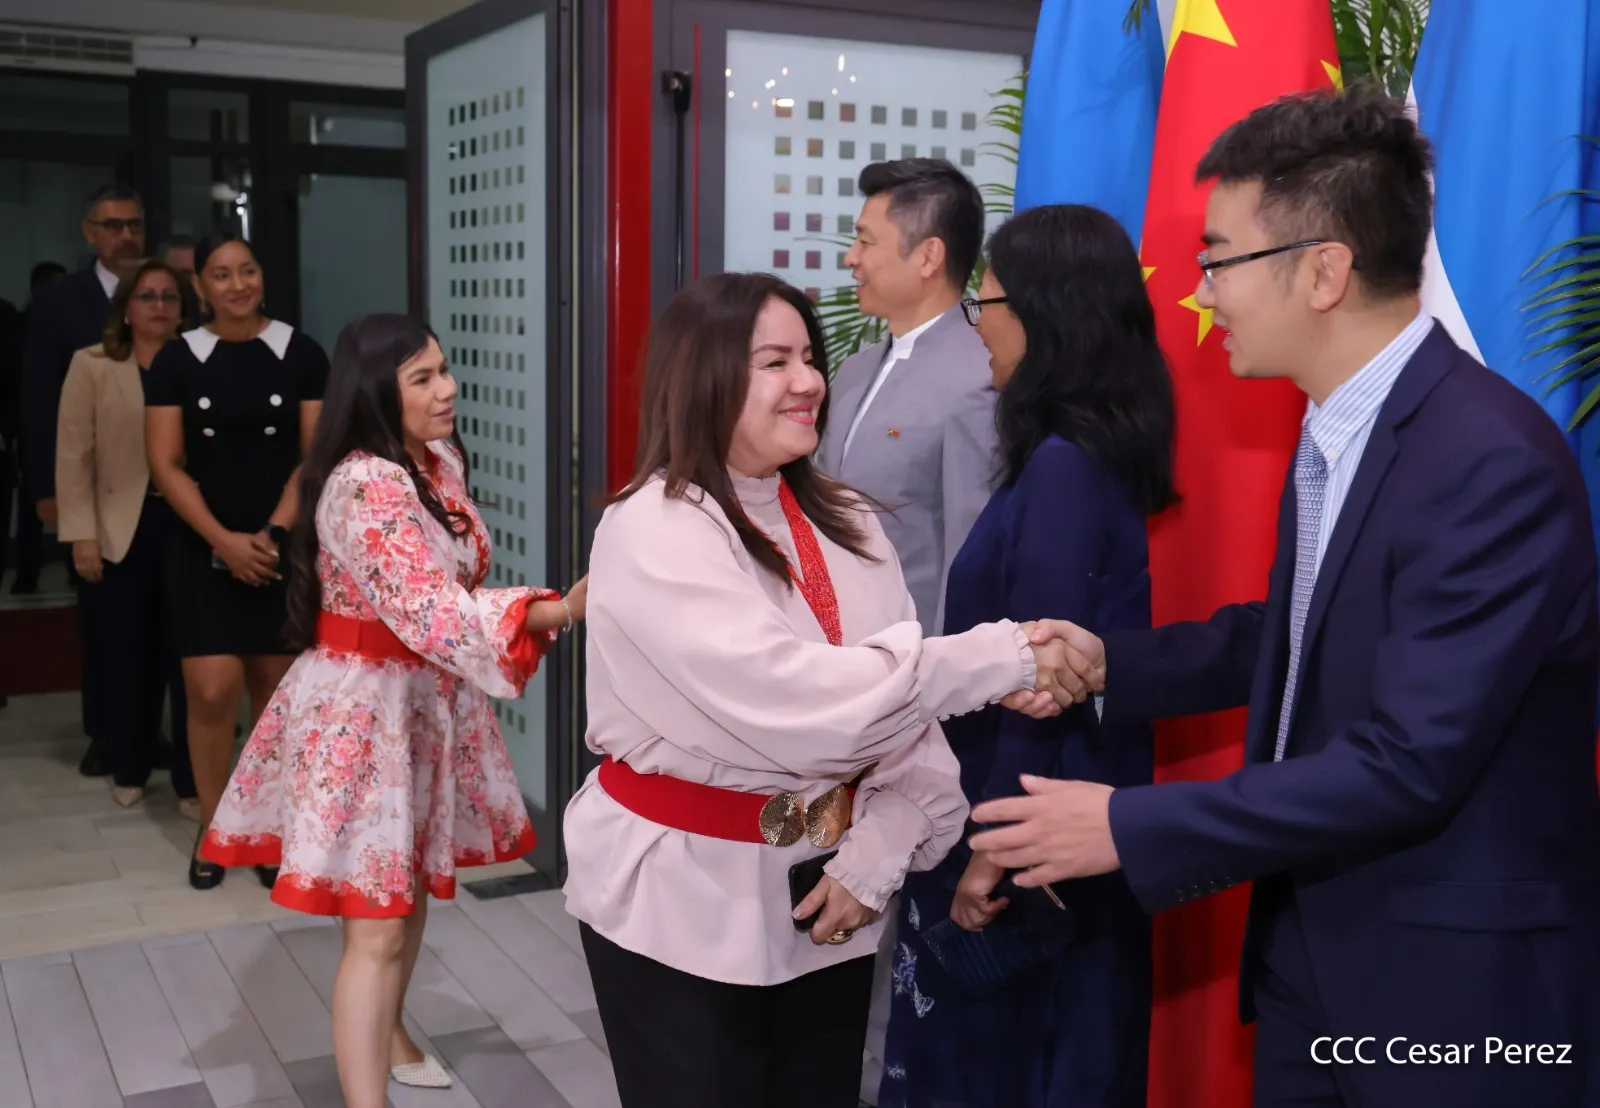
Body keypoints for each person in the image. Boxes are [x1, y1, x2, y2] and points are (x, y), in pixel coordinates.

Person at [971, 86, 1600, 1108]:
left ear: (1321, 270)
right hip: (1318, 949)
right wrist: (1109, 663)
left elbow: (1411, 758)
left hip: (1453, 989)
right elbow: (1298, 633)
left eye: (1218, 258)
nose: (1203, 292)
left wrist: (1130, 824)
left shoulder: (1488, 460)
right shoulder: (1341, 426)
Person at [562, 271, 1084, 1108]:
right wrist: (1006, 656)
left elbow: (905, 725)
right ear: (702, 378)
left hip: (830, 896)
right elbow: (808, 708)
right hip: (684, 903)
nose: (808, 381)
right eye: (774, 361)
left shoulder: (846, 516)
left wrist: (873, 860)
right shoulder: (652, 527)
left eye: (809, 356)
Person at [200, 313, 584, 1108]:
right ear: (378, 391)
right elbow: (432, 608)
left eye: (444, 370)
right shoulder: (362, 481)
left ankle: (394, 1031)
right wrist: (558, 609)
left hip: (421, 699)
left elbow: (451, 598)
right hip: (363, 709)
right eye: (424, 378)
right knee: (374, 921)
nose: (447, 389)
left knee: (403, 897)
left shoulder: (434, 460)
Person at [879, 205, 1176, 1108]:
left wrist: (990, 852)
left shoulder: (1062, 469)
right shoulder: (1089, 456)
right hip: (1065, 829)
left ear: (1041, 313)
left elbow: (1035, 676)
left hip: (1027, 842)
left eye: (988, 303)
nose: (980, 327)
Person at [812, 158, 1000, 1098]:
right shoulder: (855, 366)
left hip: (912, 700)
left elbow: (967, 556)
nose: (850, 259)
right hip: (828, 691)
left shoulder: (975, 379)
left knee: (903, 927)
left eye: (865, 242)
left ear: (929, 257)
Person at [145, 231, 327, 890]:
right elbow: (164, 463)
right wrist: (223, 540)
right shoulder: (178, 359)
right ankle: (217, 825)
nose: (237, 284)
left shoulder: (300, 352)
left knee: (273, 693)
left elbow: (314, 457)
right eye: (220, 275)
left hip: (280, 545)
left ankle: (270, 825)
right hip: (201, 545)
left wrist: (273, 535)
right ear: (202, 287)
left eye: (247, 270)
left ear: (261, 277)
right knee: (211, 689)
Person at [55, 259, 198, 817]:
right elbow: (74, 455)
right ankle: (130, 767)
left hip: (188, 522)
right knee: (126, 653)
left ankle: (191, 779)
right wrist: (80, 535)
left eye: (169, 297)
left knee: (189, 656)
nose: (159, 306)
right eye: (147, 297)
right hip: (119, 528)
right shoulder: (91, 365)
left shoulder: (199, 360)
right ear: (127, 308)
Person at [22, 187, 144, 770]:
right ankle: (105, 730)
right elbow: (39, 401)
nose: (126, 236)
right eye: (113, 225)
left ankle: (146, 729)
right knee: (99, 616)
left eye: (134, 225)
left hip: (153, 481)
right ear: (89, 232)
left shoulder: (160, 293)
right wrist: (44, 487)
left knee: (150, 622)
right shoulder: (58, 303)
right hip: (87, 483)